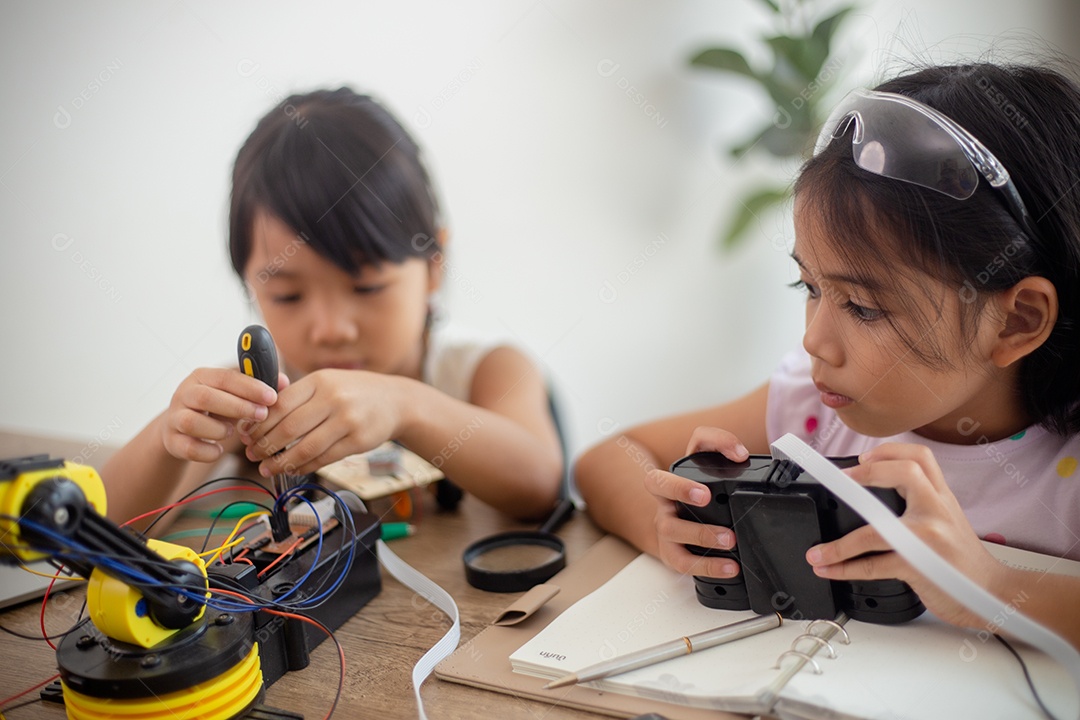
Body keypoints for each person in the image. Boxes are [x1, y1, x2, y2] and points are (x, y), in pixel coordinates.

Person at [575, 61, 1080, 647]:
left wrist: (989, 585)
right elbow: (608, 459)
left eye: (863, 307)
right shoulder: (813, 411)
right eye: (810, 287)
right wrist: (669, 528)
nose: (813, 341)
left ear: (1017, 322)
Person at [103, 88, 563, 526]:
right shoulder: (260, 396)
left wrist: (406, 405)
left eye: (366, 287)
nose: (330, 329)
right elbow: (97, 528)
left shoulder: (484, 370)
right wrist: (170, 438)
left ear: (433, 266)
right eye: (287, 295)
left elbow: (541, 484)